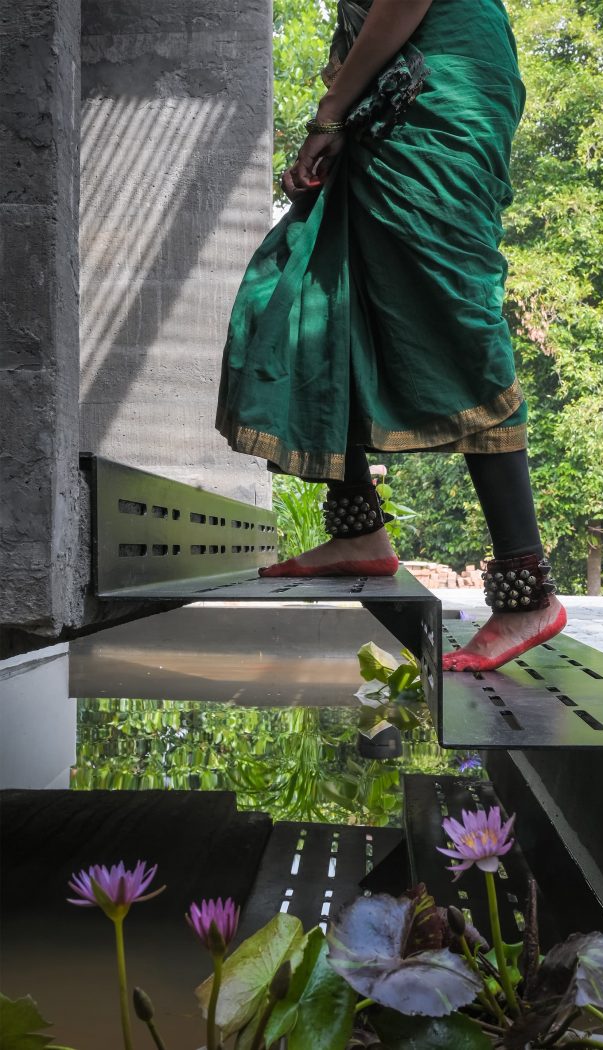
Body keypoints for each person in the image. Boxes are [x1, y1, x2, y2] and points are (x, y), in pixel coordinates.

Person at [215, 0, 567, 671]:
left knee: (454, 322)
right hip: (384, 93)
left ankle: (527, 591)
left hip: (437, 92)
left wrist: (330, 113)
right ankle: (359, 531)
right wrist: (341, 114)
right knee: (318, 290)